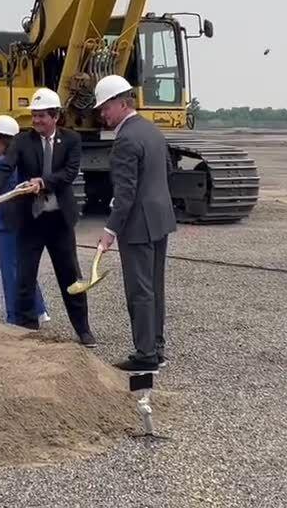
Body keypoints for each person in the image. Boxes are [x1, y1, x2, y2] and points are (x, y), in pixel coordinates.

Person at [0, 88, 95, 347]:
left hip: (59, 221)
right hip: (31, 220)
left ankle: (83, 330)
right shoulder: (22, 141)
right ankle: (27, 326)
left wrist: (43, 182)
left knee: (70, 277)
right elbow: (5, 166)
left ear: (56, 117)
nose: (37, 121)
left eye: (42, 116)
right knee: (24, 277)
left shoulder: (72, 140)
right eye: (34, 115)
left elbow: (69, 173)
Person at [93, 75, 177, 371]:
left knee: (140, 291)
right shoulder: (152, 131)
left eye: (105, 107)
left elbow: (124, 193)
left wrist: (109, 231)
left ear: (122, 103)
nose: (102, 114)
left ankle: (145, 356)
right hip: (159, 219)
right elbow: (166, 172)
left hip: (138, 226)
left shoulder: (126, 139)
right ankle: (157, 348)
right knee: (154, 287)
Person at [0, 114, 49, 326]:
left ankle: (15, 317)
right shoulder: (24, 162)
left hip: (7, 223)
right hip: (23, 222)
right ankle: (38, 309)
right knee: (23, 269)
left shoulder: (1, 164)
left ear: (5, 139)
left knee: (10, 272)